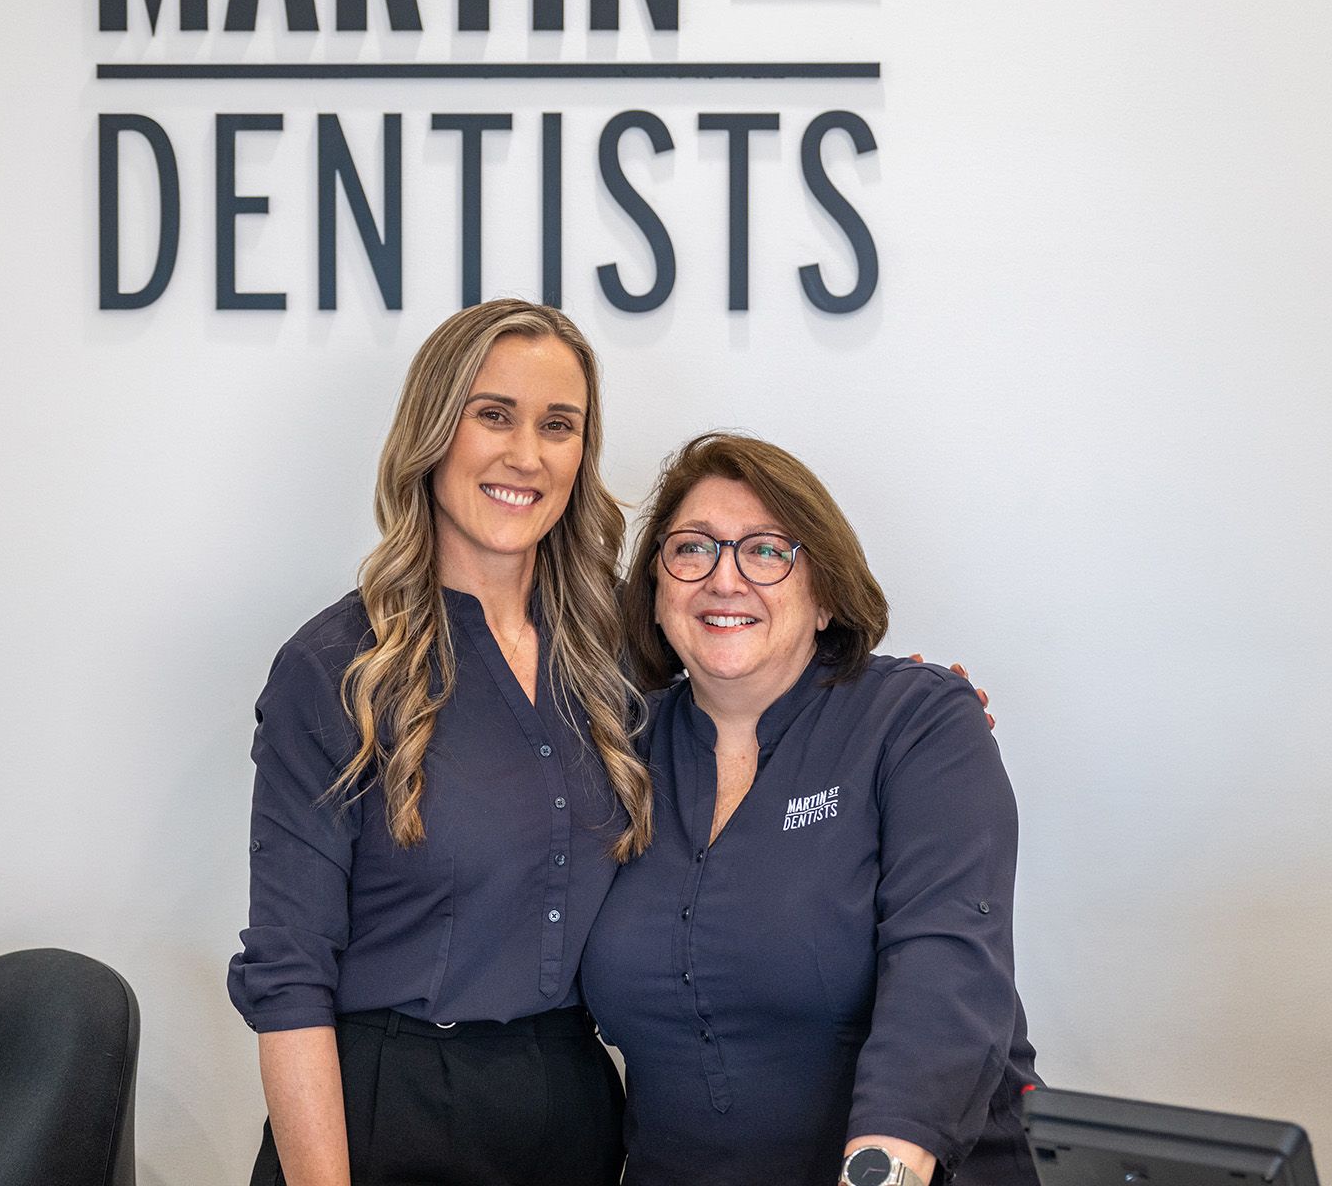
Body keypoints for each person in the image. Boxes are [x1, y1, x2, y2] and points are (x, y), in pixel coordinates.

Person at [228, 300, 650, 1186]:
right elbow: (290, 978)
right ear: (432, 431)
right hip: (389, 1112)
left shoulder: (614, 649)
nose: (526, 455)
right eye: (493, 414)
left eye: (558, 425)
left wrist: (908, 705)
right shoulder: (336, 667)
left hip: (574, 1108)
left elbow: (754, 707)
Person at [583, 433, 1040, 1186]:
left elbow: (945, 968)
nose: (724, 579)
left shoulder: (917, 721)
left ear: (825, 595)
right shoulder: (613, 750)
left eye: (766, 552)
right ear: (657, 590)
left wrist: (884, 1172)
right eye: (692, 549)